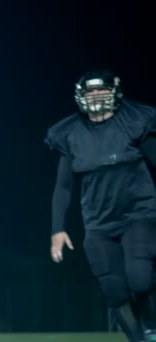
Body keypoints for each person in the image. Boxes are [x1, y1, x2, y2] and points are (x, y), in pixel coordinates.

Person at [45, 70, 156, 342]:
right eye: (90, 92)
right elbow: (63, 187)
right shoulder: (70, 133)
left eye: (101, 90)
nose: (96, 96)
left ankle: (153, 328)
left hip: (138, 214)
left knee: (140, 277)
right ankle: (138, 339)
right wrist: (57, 229)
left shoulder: (134, 121)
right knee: (113, 289)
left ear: (115, 91)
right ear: (80, 95)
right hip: (98, 223)